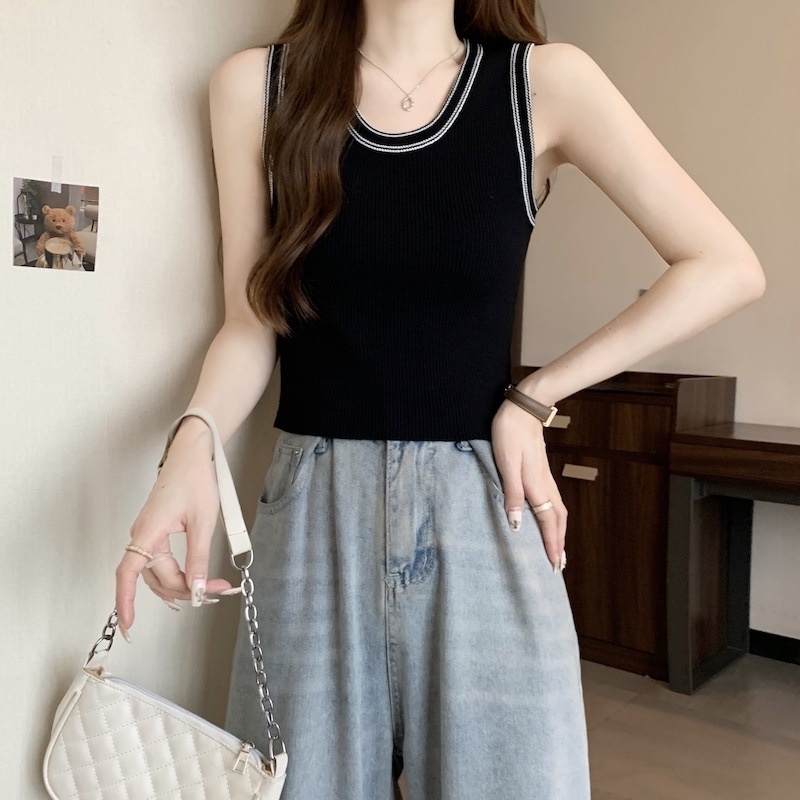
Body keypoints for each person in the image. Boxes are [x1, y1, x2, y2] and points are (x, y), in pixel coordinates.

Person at [114, 1, 766, 798]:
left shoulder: (543, 84)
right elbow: (252, 323)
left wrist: (535, 397)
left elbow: (724, 266)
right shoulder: (256, 87)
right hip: (312, 517)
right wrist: (192, 441)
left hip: (485, 511)